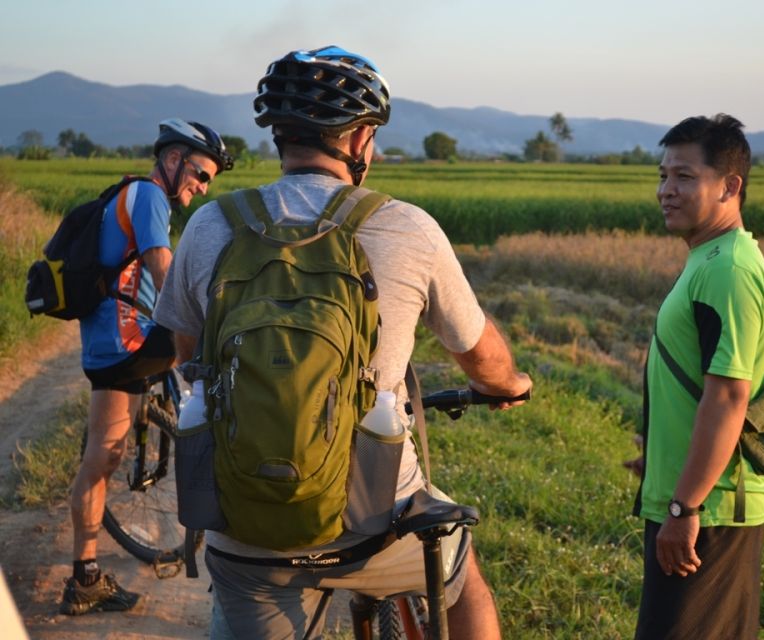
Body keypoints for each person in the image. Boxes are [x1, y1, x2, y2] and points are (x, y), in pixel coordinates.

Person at [153, 46, 532, 640]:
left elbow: (186, 354)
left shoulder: (210, 224)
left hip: (245, 527)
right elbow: (481, 352)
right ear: (359, 140)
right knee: (464, 583)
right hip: (377, 523)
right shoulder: (406, 226)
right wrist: (507, 385)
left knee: (240, 586)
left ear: (280, 134)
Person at [61, 119, 233, 616]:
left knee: (107, 453)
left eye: (208, 182)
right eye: (200, 174)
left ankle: (177, 415)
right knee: (102, 458)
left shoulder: (140, 197)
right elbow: (164, 267)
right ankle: (84, 578)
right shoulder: (149, 196)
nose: (201, 188)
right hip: (122, 344)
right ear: (174, 159)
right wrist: (205, 325)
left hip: (124, 341)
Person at [625, 114, 764, 639]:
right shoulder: (707, 258)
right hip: (695, 501)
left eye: (684, 177)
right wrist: (662, 458)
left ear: (729, 186)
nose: (666, 190)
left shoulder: (727, 270)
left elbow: (729, 397)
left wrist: (684, 505)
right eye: (663, 175)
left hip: (708, 512)